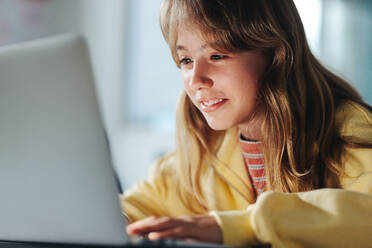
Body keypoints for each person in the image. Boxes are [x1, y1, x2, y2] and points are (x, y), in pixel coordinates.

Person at [121, 0, 372, 247]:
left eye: (217, 55)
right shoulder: (206, 149)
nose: (196, 79)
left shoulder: (350, 131)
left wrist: (240, 227)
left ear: (276, 55)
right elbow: (134, 208)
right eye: (186, 60)